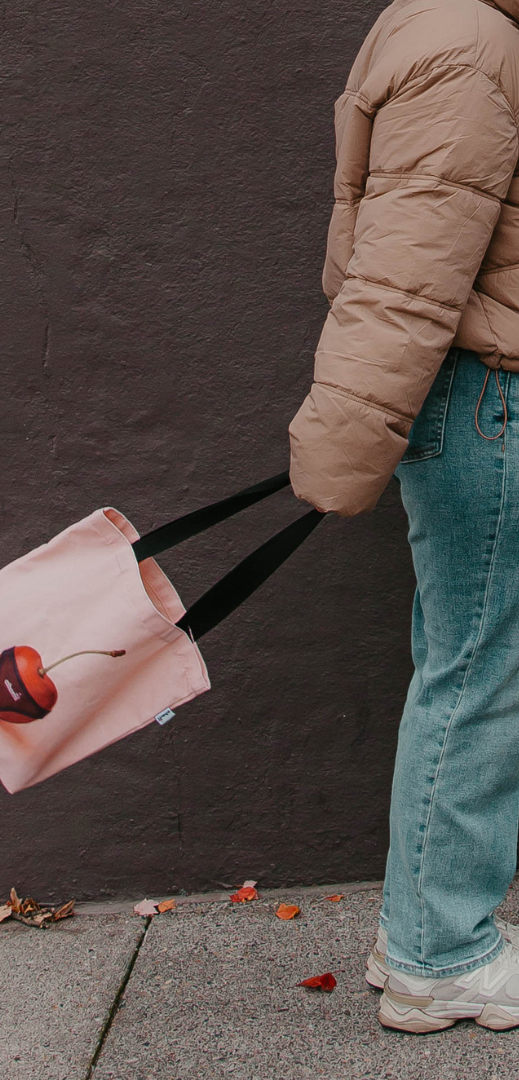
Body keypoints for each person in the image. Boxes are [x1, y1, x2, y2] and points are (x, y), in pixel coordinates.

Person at [288, 0, 519, 1033]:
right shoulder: (475, 46)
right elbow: (403, 275)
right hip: (483, 402)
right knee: (479, 675)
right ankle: (442, 955)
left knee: (464, 661)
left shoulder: (445, 24)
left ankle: (419, 927)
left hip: (470, 399)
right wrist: (347, 442)